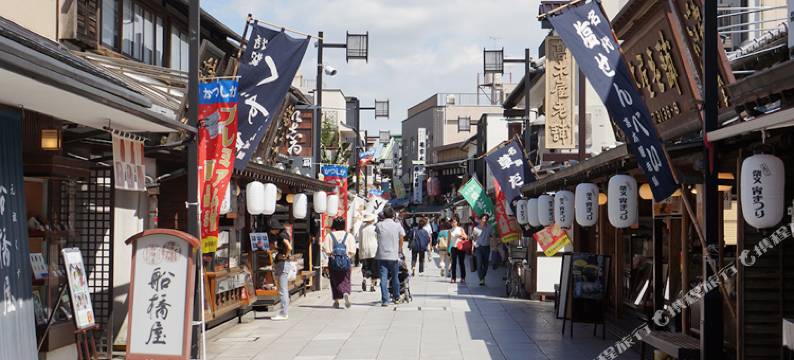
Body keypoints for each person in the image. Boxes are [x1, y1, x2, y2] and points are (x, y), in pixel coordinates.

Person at [323, 217, 357, 309]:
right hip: (346, 261)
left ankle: (336, 301)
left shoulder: (329, 236)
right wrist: (347, 257)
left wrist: (332, 256)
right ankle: (345, 292)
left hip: (333, 261)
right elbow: (353, 250)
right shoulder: (349, 236)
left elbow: (326, 249)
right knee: (345, 279)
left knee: (334, 281)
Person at [375, 206, 405, 306]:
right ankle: (396, 297)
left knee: (383, 278)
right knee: (395, 277)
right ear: (393, 215)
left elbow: (377, 235)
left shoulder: (379, 225)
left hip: (382, 255)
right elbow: (401, 237)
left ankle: (385, 300)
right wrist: (400, 249)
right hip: (393, 255)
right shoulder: (397, 225)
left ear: (384, 214)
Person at [269, 218, 292, 320]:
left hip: (283, 264)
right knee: (283, 289)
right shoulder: (283, 234)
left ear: (275, 229)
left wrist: (285, 255)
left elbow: (289, 247)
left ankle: (284, 313)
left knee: (283, 289)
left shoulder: (282, 235)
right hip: (283, 263)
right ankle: (284, 311)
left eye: (271, 229)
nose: (271, 231)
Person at [357, 213, 379, 292]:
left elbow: (359, 240)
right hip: (374, 250)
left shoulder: (361, 228)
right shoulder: (375, 228)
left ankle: (365, 279)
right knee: (374, 269)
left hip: (364, 250)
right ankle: (372, 285)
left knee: (365, 267)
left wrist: (359, 254)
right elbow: (378, 239)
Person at [471, 214, 494, 286]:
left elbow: (493, 236)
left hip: (487, 247)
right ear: (480, 219)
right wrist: (472, 248)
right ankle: (481, 278)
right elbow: (473, 238)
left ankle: (483, 276)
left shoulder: (490, 227)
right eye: (483, 218)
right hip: (478, 248)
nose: (484, 220)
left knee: (486, 264)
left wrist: (495, 244)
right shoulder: (476, 228)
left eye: (486, 219)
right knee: (479, 263)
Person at [448, 215, 468, 284]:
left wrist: (460, 236)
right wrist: (448, 249)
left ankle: (463, 278)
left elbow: (466, 237)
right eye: (452, 222)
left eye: (454, 222)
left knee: (461, 263)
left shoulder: (460, 229)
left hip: (461, 247)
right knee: (453, 263)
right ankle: (453, 278)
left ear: (457, 222)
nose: (453, 223)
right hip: (453, 248)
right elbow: (449, 241)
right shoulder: (450, 231)